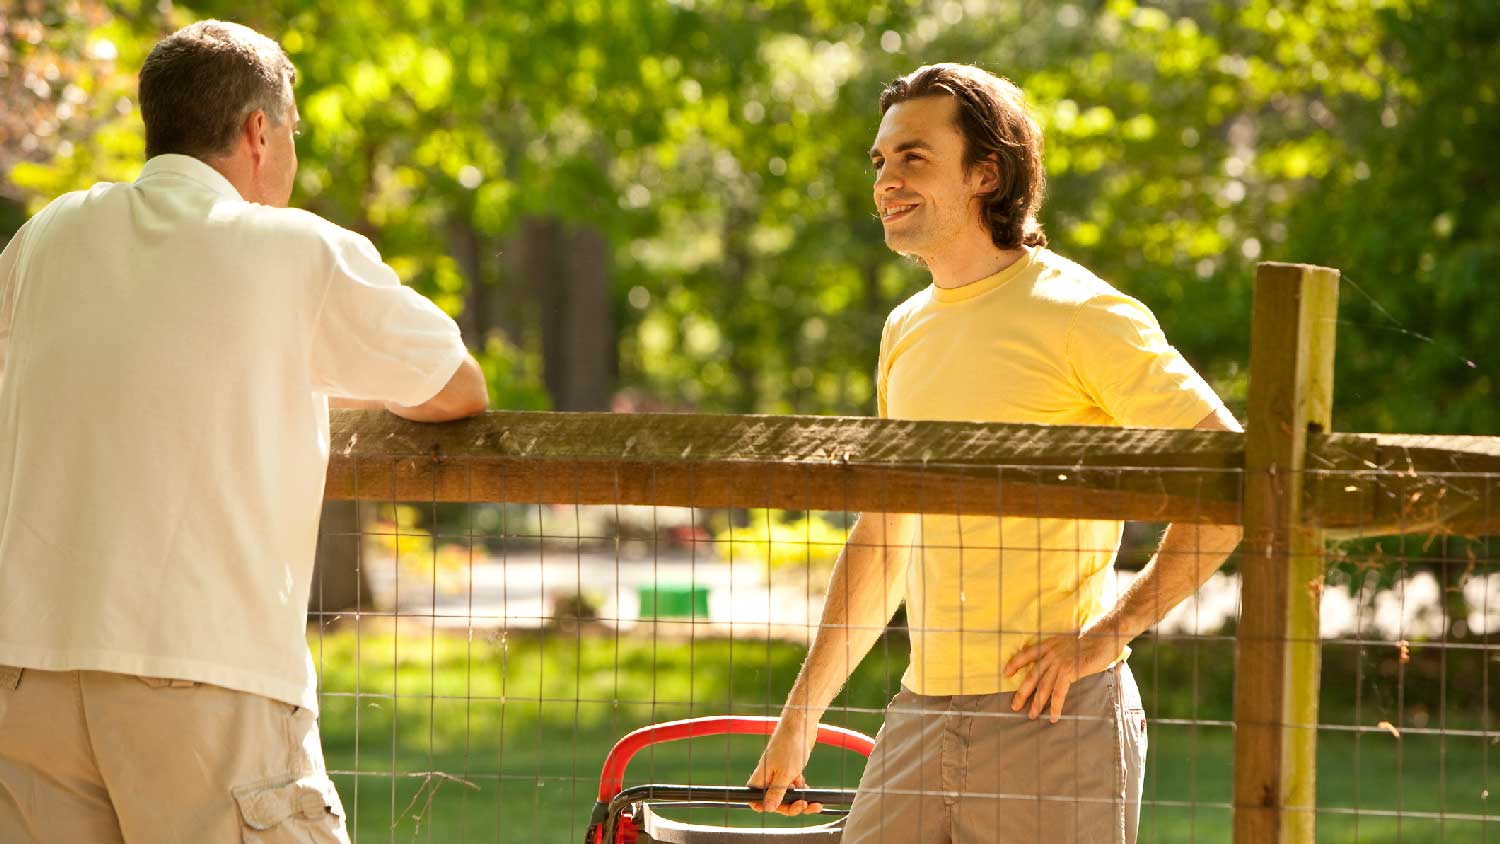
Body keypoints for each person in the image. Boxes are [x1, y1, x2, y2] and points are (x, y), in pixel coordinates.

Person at [0, 20, 487, 843]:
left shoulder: (48, 236)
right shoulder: (295, 250)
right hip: (201, 673)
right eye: (292, 128)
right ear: (259, 131)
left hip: (28, 674)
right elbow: (455, 386)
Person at [747, 63, 1243, 843]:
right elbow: (883, 542)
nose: (886, 179)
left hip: (1058, 719)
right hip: (918, 713)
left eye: (914, 157)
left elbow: (1234, 476)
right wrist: (799, 720)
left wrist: (1106, 637)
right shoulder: (905, 329)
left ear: (988, 173)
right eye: (880, 161)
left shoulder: (1082, 312)